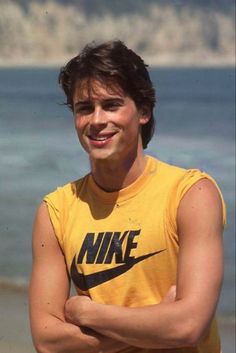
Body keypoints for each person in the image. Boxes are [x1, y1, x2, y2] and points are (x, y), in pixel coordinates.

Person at [29, 40, 226, 353]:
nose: (96, 120)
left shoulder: (190, 194)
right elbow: (47, 340)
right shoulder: (56, 210)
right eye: (84, 108)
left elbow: (188, 327)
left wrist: (88, 313)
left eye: (111, 105)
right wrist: (156, 324)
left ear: (143, 111)